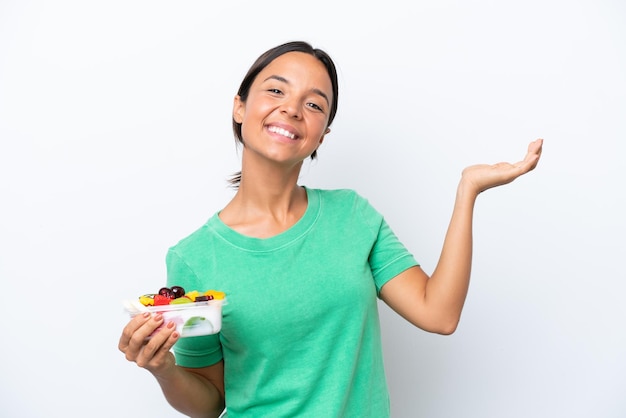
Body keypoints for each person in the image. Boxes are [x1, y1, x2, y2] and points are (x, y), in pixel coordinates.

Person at [119, 40, 543, 418]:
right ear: (239, 107)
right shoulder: (194, 257)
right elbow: (210, 402)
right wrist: (164, 370)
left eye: (314, 104)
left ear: (321, 135)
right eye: (276, 90)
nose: (292, 108)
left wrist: (467, 191)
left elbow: (439, 313)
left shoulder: (353, 217)